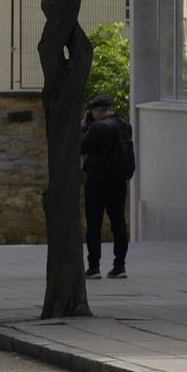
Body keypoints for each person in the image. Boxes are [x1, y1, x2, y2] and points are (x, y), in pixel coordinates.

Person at [80, 94, 134, 279]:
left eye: (91, 112)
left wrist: (84, 128)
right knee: (118, 222)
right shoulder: (125, 125)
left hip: (97, 180)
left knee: (94, 223)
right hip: (118, 180)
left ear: (97, 111)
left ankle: (94, 267)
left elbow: (81, 147)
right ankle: (120, 266)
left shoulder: (96, 127)